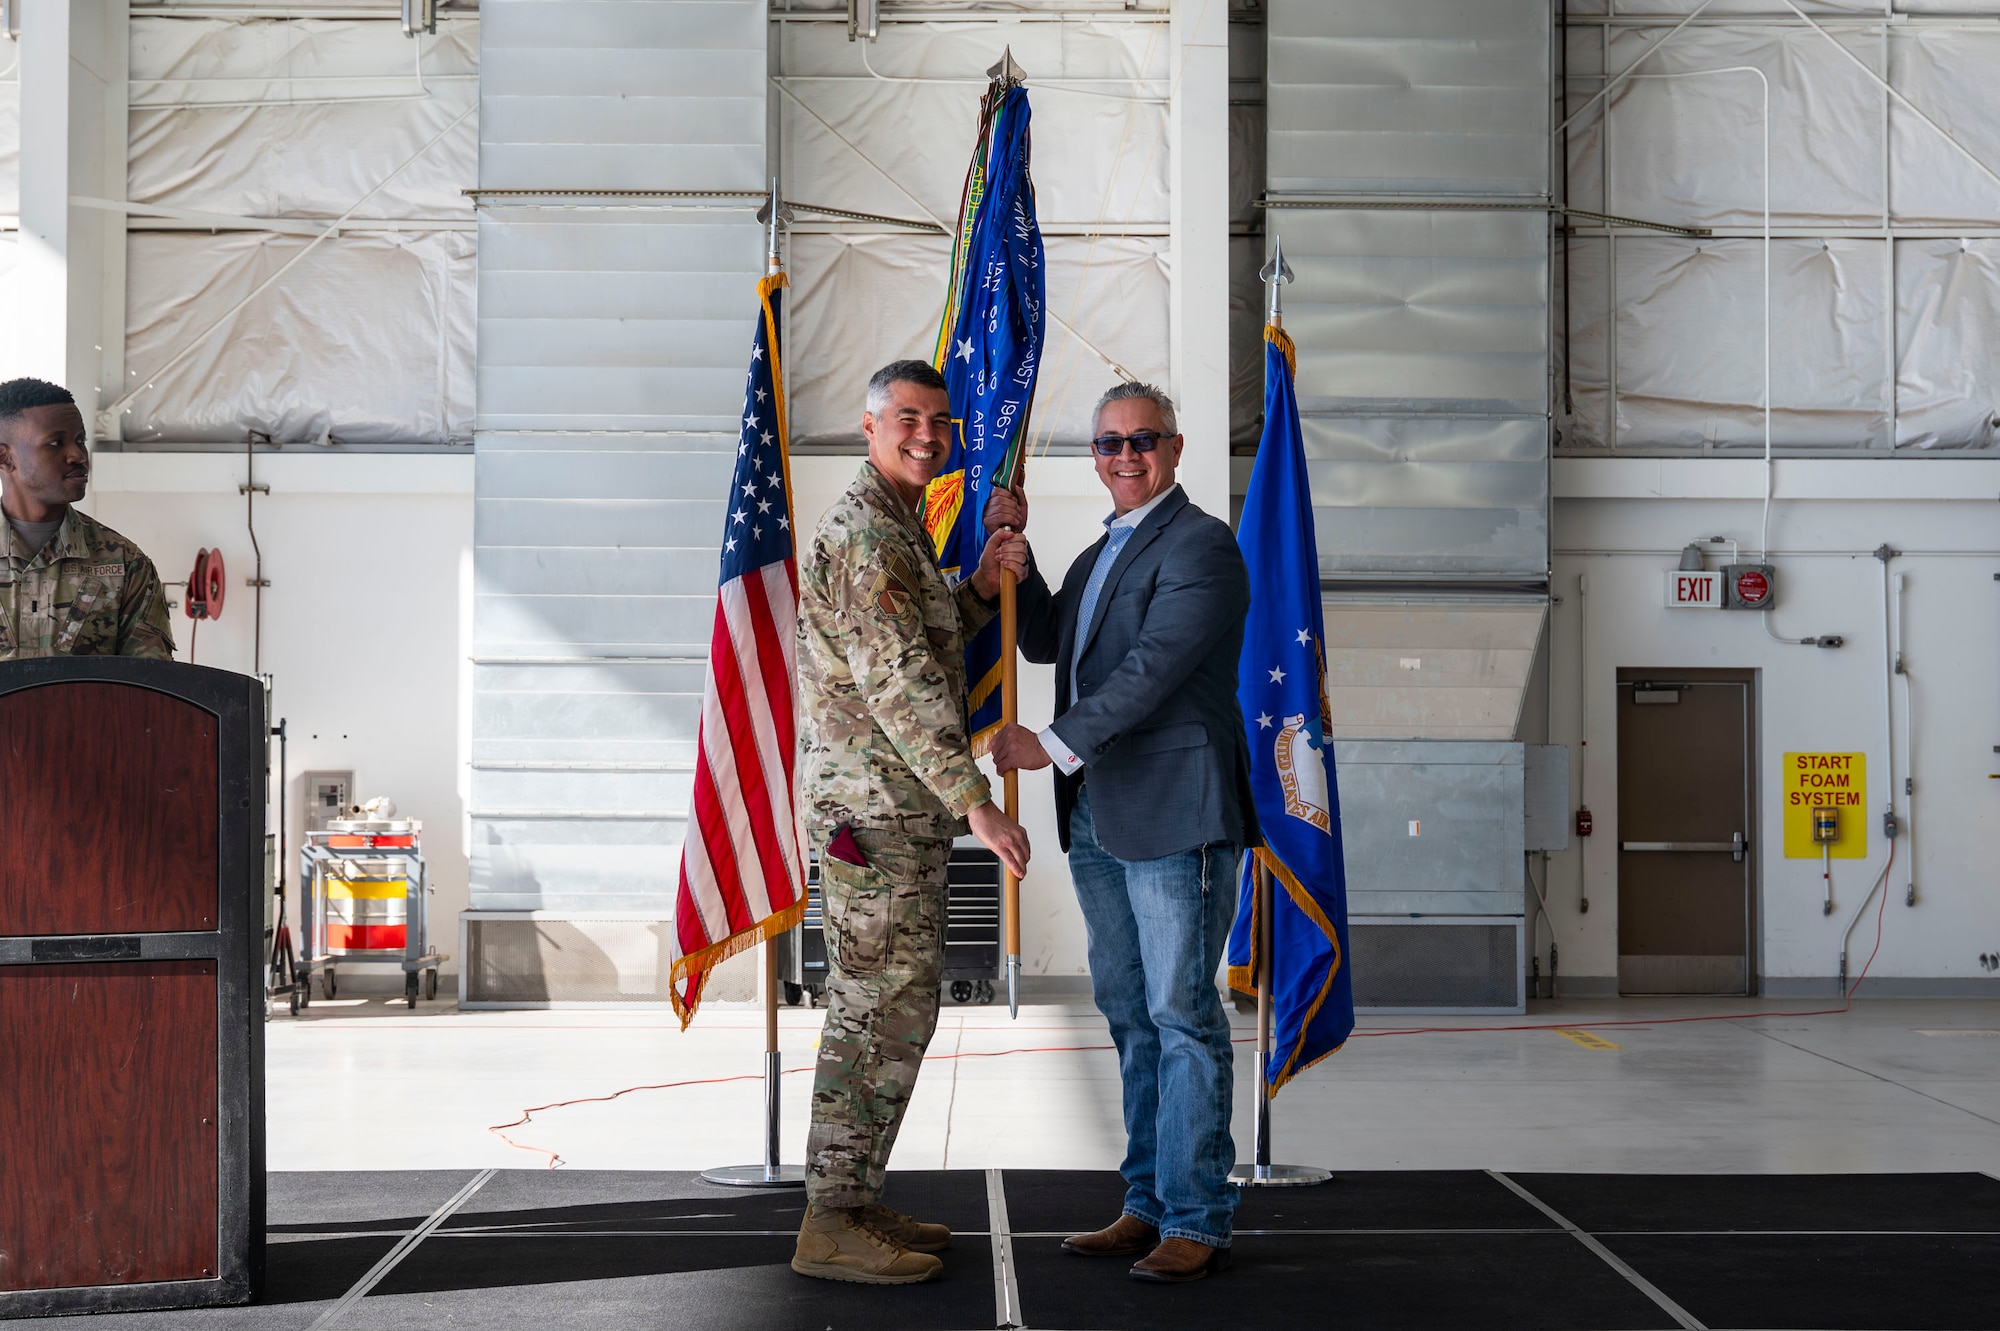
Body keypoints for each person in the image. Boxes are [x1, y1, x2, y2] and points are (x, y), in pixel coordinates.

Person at [985, 380, 1257, 1284]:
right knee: (1132, 1014)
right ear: (1095, 457)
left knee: (1182, 1016)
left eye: (1143, 440)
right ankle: (1146, 1202)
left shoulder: (1204, 547)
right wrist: (1016, 565)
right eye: (1109, 444)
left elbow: (1150, 672)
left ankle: (1198, 1215)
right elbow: (1051, 642)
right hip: (1102, 813)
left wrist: (1048, 743)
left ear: (1175, 449)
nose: (1126, 456)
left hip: (1178, 811)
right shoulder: (1107, 547)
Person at [793, 358, 1032, 1286]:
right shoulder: (866, 533)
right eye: (907, 418)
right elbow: (903, 684)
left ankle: (853, 1195)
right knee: (874, 1010)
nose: (928, 434)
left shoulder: (897, 528)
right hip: (877, 812)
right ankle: (829, 1219)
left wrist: (977, 585)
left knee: (898, 1006)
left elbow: (919, 640)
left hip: (892, 810)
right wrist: (976, 801)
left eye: (940, 420)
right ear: (869, 424)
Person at [0, 378, 174, 661]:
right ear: (5, 458)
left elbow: (147, 691)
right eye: (55, 443)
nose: (78, 455)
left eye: (80, 440)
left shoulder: (125, 564)